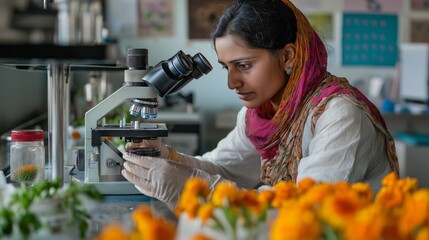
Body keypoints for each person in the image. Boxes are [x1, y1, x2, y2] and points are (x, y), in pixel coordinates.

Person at [121, 0, 399, 208]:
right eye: (225, 67)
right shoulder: (261, 114)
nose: (232, 82)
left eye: (243, 65)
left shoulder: (339, 115)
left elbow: (303, 209)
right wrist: (170, 159)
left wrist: (195, 188)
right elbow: (224, 169)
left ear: (288, 56)